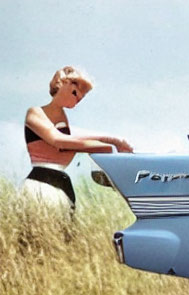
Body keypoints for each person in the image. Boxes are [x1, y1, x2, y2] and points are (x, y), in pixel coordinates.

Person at [22, 66, 133, 212]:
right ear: (63, 83)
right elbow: (59, 141)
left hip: (61, 184)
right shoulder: (35, 113)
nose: (75, 101)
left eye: (79, 99)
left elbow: (75, 137)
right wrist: (104, 147)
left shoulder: (63, 119)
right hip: (41, 182)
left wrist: (115, 140)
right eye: (74, 93)